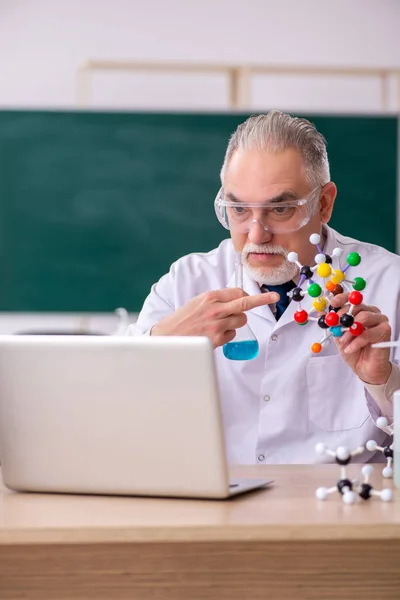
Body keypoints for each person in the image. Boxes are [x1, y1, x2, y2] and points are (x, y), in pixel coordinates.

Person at [127, 110, 400, 465]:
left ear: (324, 203)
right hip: (214, 508)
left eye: (281, 209)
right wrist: (163, 344)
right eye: (239, 209)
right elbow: (111, 414)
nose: (257, 235)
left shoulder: (389, 283)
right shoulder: (186, 282)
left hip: (340, 510)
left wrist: (383, 381)